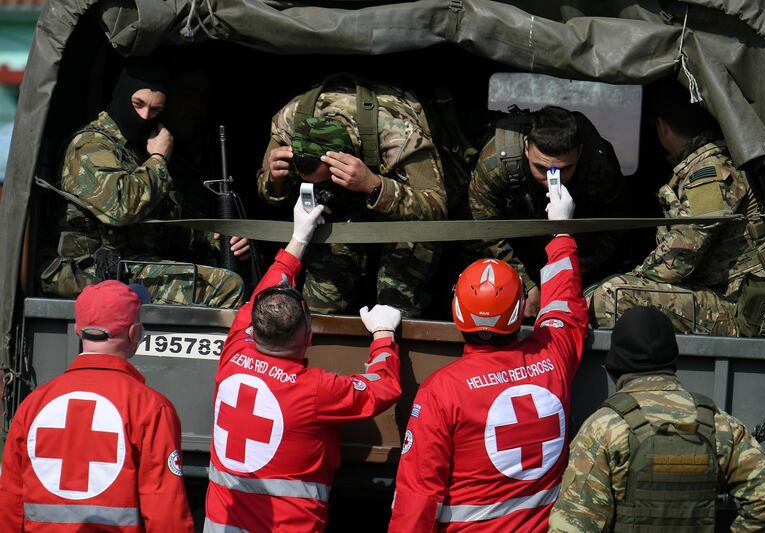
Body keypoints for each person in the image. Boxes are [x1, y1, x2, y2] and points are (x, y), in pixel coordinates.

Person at [389, 184, 588, 532]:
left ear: (456, 312)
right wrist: (561, 231)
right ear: (522, 310)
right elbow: (564, 306)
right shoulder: (553, 357)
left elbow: (418, 495)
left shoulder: (443, 391)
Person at [203, 196, 403, 532]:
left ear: (254, 327)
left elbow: (261, 296)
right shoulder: (316, 390)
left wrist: (298, 238)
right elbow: (382, 387)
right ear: (307, 335)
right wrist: (383, 334)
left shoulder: (234, 356)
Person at [548, 306, 765, 532]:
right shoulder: (719, 424)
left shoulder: (604, 428)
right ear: (673, 356)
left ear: (616, 361)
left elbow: (572, 523)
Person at [40, 58, 250, 308]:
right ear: (121, 96)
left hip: (128, 266)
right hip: (86, 270)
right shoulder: (90, 145)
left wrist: (216, 238)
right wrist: (159, 159)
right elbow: (122, 208)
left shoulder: (139, 151)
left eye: (155, 110)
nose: (144, 116)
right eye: (137, 104)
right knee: (225, 287)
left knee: (232, 275)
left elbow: (167, 221)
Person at [587, 79, 765, 336]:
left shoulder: (709, 173)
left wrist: (628, 278)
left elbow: (676, 261)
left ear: (661, 127)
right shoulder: (719, 159)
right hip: (731, 297)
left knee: (613, 295)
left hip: (741, 309)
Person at [0, 280, 194, 531]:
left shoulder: (32, 404)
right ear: (135, 333)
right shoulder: (151, 408)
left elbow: (10, 499)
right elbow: (166, 510)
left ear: (77, 331)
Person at [257, 74, 447, 317]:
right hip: (336, 216)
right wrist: (275, 182)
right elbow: (264, 191)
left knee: (394, 312)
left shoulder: (399, 132)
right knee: (317, 312)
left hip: (401, 222)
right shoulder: (290, 120)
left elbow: (437, 207)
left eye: (327, 180)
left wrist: (374, 185)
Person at [467, 105, 627, 318]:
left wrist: (581, 268)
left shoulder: (598, 162)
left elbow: (617, 222)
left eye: (564, 169)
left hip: (578, 259)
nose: (553, 179)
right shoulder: (496, 162)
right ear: (526, 147)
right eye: (541, 168)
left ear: (579, 152)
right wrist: (523, 282)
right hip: (514, 254)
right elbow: (482, 230)